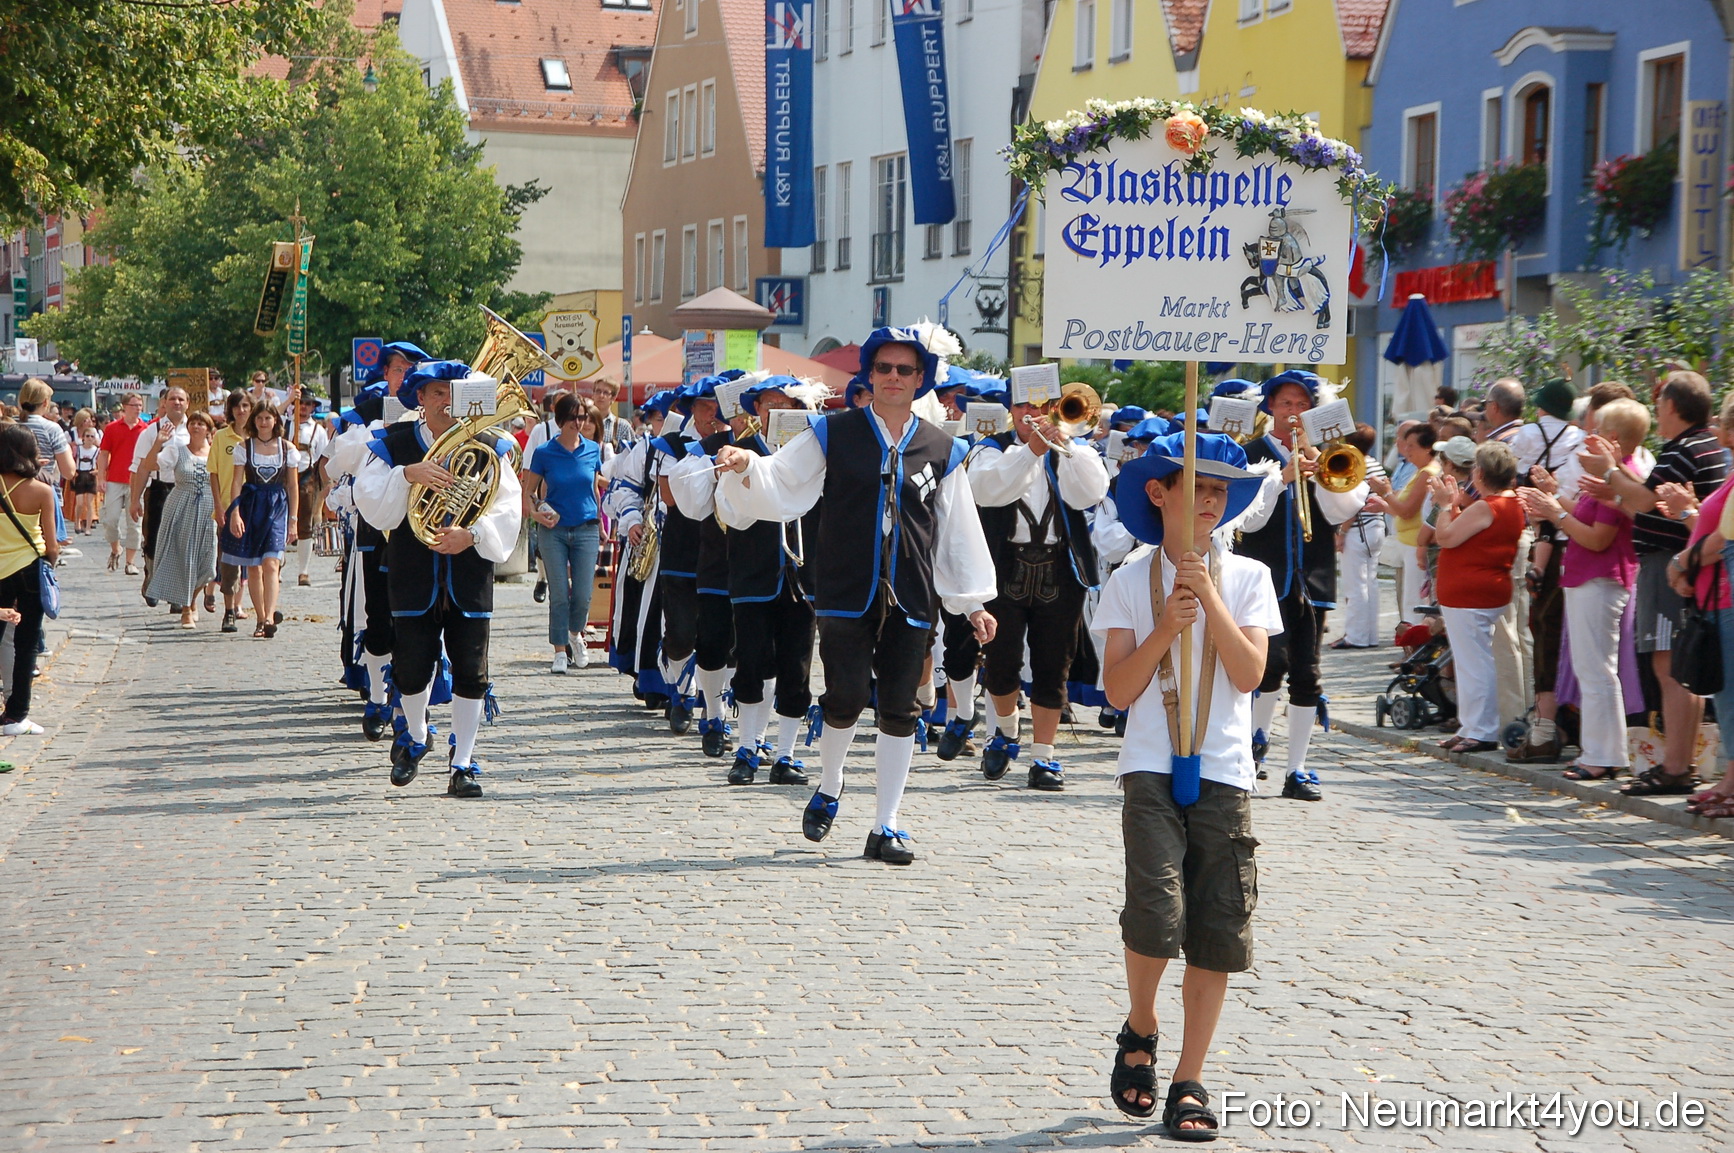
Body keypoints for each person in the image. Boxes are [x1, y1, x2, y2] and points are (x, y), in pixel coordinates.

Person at [715, 326, 997, 865]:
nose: (894, 378)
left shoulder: (943, 448)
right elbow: (782, 479)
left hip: (912, 595)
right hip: (845, 590)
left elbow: (958, 530)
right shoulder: (833, 432)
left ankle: (886, 823)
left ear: (921, 380)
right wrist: (747, 463)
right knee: (843, 696)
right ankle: (830, 781)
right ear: (870, 375)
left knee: (899, 707)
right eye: (884, 368)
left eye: (905, 370)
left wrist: (973, 602)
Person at [1093, 432, 1279, 1137]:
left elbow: (1249, 673)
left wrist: (1210, 598)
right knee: (1154, 910)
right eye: (1195, 485)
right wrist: (1167, 625)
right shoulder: (1127, 580)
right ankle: (1141, 1024)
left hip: (1227, 767)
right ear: (1158, 493)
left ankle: (1189, 1077)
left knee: (1218, 924)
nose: (1208, 500)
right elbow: (1117, 688)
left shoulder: (1251, 577)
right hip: (1149, 762)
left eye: (1220, 491)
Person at [353, 361, 522, 799]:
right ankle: (417, 732)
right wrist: (407, 474)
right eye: (436, 393)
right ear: (421, 400)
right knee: (411, 667)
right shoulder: (393, 444)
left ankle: (463, 762)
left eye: (453, 392)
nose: (446, 401)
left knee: (471, 669)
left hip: (468, 567)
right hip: (413, 567)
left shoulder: (491, 444)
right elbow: (369, 500)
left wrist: (474, 534)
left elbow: (508, 506)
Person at [669, 375, 824, 786]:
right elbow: (726, 511)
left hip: (802, 577)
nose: (775, 412)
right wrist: (735, 468)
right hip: (752, 571)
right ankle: (748, 747)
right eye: (767, 405)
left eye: (785, 406)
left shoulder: (816, 450)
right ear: (755, 410)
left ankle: (787, 754)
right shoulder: (739, 450)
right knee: (752, 662)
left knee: (797, 667)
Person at [1578, 371, 1727, 796]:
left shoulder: (1682, 450)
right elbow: (1648, 505)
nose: (1657, 412)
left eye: (1661, 405)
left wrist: (1609, 471)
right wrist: (1618, 493)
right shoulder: (1705, 446)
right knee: (1683, 667)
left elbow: (1649, 501)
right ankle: (1680, 761)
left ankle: (1676, 765)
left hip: (1672, 566)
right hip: (1686, 562)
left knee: (1671, 667)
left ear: (1675, 407)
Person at [965, 368, 1110, 790]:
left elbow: (1092, 493)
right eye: (1025, 405)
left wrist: (1066, 444)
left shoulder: (1075, 449)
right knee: (1002, 662)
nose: (1035, 413)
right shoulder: (989, 450)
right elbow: (990, 491)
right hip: (1005, 567)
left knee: (1053, 665)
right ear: (1011, 410)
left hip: (1059, 569)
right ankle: (1006, 730)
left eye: (1042, 405)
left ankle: (1044, 757)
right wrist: (1030, 450)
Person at [1234, 370, 1369, 801]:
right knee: (1267, 666)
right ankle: (1253, 751)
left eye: (1302, 405)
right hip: (1263, 576)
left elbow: (1339, 512)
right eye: (1286, 404)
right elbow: (1246, 520)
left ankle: (1298, 767)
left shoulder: (1330, 456)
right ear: (1270, 408)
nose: (1294, 413)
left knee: (1308, 675)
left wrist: (1317, 471)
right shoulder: (1250, 454)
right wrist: (1283, 479)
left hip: (1311, 579)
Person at [1522, 399, 1648, 780]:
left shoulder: (1620, 477)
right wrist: (1553, 495)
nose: (1587, 437)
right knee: (1593, 669)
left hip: (1600, 578)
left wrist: (1554, 511)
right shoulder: (1613, 478)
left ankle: (1602, 754)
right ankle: (1604, 751)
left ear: (1611, 437)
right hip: (1589, 578)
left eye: (1594, 431)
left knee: (1597, 671)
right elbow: (1580, 516)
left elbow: (1596, 538)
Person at [324, 342, 430, 732]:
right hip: (375, 530)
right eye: (398, 369)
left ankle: (410, 704)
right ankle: (376, 697)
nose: (404, 376)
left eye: (410, 369)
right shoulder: (367, 413)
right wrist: (376, 433)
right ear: (386, 373)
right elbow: (338, 463)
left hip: (419, 531)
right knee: (378, 617)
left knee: (416, 619)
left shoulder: (431, 415)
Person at [1431, 441, 1526, 753]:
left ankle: (1482, 731)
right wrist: (1456, 507)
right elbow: (1469, 533)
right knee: (1471, 662)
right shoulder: (1506, 502)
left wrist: (1446, 506)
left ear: (1481, 473)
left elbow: (1445, 536)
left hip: (1471, 593)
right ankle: (1470, 726)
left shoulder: (1491, 505)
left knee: (1475, 664)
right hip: (1480, 589)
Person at [523, 393, 603, 673]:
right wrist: (535, 514)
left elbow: (593, 487)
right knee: (559, 593)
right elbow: (529, 490)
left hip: (586, 527)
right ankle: (559, 651)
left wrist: (601, 523)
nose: (578, 423)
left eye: (582, 417)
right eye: (572, 417)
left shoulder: (593, 449)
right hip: (553, 530)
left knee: (582, 594)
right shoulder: (545, 451)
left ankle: (575, 634)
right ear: (560, 420)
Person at [221, 400, 299, 639]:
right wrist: (234, 511)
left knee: (272, 563)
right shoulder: (244, 447)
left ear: (276, 420)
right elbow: (236, 481)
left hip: (276, 505)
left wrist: (293, 519)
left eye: (268, 418)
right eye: (260, 418)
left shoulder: (287, 449)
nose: (264, 422)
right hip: (251, 505)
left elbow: (293, 486)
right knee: (254, 565)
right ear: (254, 421)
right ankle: (260, 617)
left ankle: (268, 617)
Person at [0, 425, 59, 735]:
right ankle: (16, 715)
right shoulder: (41, 490)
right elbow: (51, 544)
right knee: (26, 646)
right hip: (29, 569)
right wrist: (52, 563)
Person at [141, 411, 219, 628]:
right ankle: (185, 608)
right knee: (185, 559)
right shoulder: (177, 450)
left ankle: (193, 599)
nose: (196, 427)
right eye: (193, 423)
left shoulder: (215, 453)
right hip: (181, 506)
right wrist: (159, 443)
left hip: (207, 509)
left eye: (201, 424)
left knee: (209, 564)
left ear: (208, 430)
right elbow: (149, 465)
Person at [1366, 423, 1437, 629]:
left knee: (1414, 602)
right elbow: (1403, 509)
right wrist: (1384, 505)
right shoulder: (1420, 471)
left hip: (1416, 543)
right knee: (1410, 600)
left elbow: (1407, 511)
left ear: (1427, 448)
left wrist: (1385, 493)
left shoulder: (1427, 472)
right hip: (1409, 541)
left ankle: (1414, 649)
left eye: (1412, 446)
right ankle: (1410, 647)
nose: (1407, 450)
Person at [1332, 423, 1389, 649]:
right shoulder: (1374, 463)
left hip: (1359, 530)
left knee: (1355, 586)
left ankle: (1355, 636)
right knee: (1369, 584)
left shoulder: (1356, 466)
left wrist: (1342, 532)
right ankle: (1369, 635)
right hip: (1375, 527)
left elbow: (1353, 504)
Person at [130, 386, 190, 600]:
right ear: (164, 403)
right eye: (172, 399)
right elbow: (140, 467)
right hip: (158, 489)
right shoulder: (151, 431)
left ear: (187, 404)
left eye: (181, 399)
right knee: (154, 538)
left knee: (181, 541)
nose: (177, 403)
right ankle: (152, 576)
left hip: (185, 489)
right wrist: (135, 500)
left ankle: (176, 592)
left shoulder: (193, 429)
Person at [210, 391, 254, 632]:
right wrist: (218, 506)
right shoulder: (221, 437)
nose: (242, 410)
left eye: (246, 405)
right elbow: (214, 473)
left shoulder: (260, 437)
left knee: (258, 560)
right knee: (228, 560)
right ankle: (228, 610)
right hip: (228, 506)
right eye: (237, 406)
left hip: (255, 506)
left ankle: (261, 610)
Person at [18, 380, 75, 558]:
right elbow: (69, 471)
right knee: (44, 553)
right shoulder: (51, 428)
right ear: (45, 402)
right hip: (43, 497)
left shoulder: (8, 425)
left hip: (9, 495)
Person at [96, 393, 147, 574]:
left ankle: (130, 561)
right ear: (125, 407)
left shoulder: (145, 429)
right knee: (110, 519)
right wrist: (101, 477)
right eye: (134, 405)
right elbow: (103, 454)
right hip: (115, 479)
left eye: (140, 405)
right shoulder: (112, 428)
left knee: (134, 523)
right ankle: (116, 548)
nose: (138, 408)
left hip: (137, 481)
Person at [289, 390, 330, 588]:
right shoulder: (285, 424)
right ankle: (277, 564)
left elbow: (324, 458)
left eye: (307, 403)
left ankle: (303, 571)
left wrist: (326, 483)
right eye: (300, 403)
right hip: (282, 478)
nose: (303, 407)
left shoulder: (318, 431)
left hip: (306, 476)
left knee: (305, 524)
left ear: (313, 407)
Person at [73, 426, 100, 534]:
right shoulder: (78, 449)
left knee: (89, 503)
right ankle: (77, 522)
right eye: (87, 436)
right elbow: (72, 459)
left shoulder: (97, 450)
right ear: (83, 437)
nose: (89, 438)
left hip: (91, 475)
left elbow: (102, 464)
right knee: (79, 503)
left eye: (92, 436)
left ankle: (88, 527)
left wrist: (98, 471)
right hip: (80, 475)